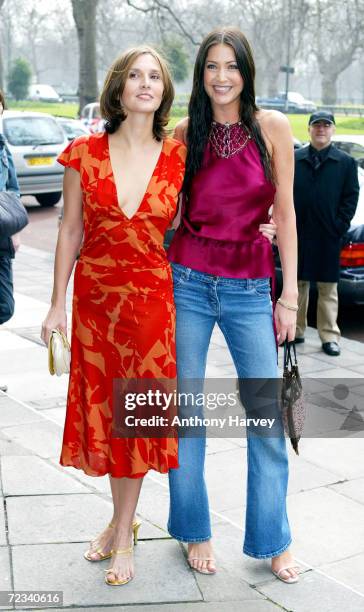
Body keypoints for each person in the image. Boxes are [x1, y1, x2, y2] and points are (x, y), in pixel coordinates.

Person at [41, 46, 186, 586]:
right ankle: (121, 521)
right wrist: (56, 304)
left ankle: (123, 530)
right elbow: (69, 230)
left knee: (137, 418)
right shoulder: (83, 152)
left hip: (151, 306)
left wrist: (262, 230)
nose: (145, 84)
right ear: (119, 88)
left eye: (155, 77)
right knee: (106, 415)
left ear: (163, 92)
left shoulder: (178, 157)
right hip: (96, 305)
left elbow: (209, 217)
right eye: (135, 75)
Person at [167, 28, 299, 583]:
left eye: (232, 67)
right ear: (201, 74)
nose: (221, 77)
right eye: (212, 67)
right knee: (186, 413)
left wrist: (289, 294)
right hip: (188, 282)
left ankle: (273, 539)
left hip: (249, 288)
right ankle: (194, 527)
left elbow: (286, 213)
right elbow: (168, 216)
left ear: (246, 72)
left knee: (265, 418)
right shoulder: (183, 131)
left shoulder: (272, 127)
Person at [294, 111, 359, 356]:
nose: (321, 129)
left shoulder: (345, 163)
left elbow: (351, 197)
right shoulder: (295, 159)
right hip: (299, 235)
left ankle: (329, 336)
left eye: (326, 125)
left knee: (328, 288)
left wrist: (339, 226)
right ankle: (296, 330)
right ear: (309, 129)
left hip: (328, 235)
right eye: (316, 125)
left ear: (332, 129)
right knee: (297, 285)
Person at [0, 90, 21, 392]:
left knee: (4, 306)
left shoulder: (2, 147)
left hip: (1, 241)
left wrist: (15, 227)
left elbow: (14, 189)